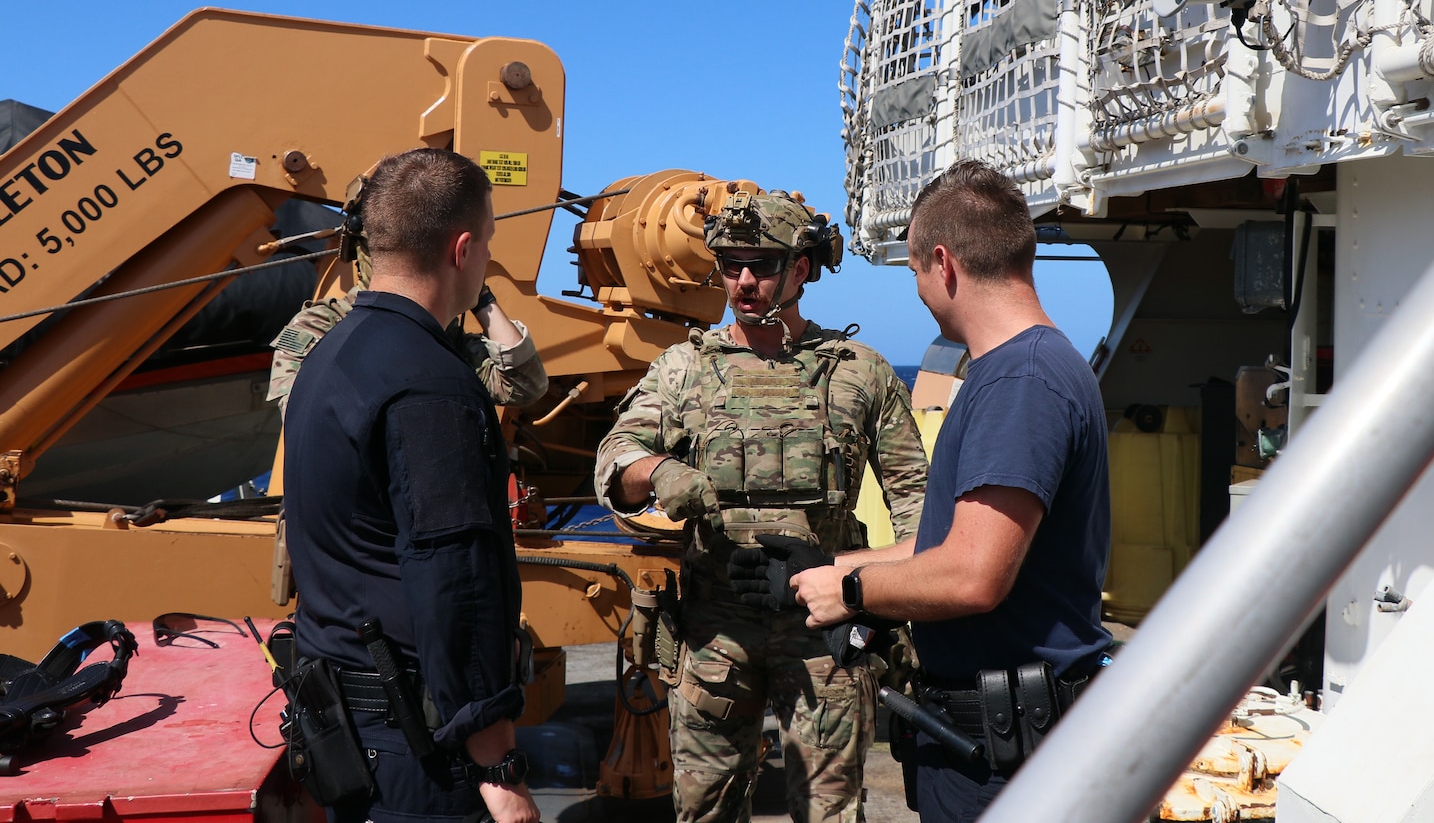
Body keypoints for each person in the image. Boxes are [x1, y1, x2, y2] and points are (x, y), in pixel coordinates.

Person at [789, 160, 1112, 823]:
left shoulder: (1020, 383)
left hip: (1002, 761)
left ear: (944, 263)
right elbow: (953, 544)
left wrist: (850, 595)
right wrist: (836, 567)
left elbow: (973, 576)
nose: (917, 291)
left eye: (911, 272)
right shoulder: (1040, 365)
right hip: (1001, 742)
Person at [594, 189, 929, 823]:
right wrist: (656, 469)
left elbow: (917, 504)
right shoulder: (685, 370)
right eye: (730, 263)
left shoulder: (859, 373)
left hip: (823, 635)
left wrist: (880, 592)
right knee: (704, 808)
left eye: (764, 264)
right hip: (716, 635)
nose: (744, 281)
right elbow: (614, 457)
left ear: (801, 269)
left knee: (829, 813)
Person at [283, 148, 541, 823]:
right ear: (463, 249)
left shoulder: (331, 357)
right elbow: (454, 579)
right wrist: (500, 764)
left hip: (343, 730)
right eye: (486, 242)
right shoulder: (430, 384)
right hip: (419, 749)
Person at [268, 238, 548, 415]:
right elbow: (305, 416)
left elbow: (525, 386)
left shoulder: (445, 336)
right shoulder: (321, 325)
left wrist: (480, 296)